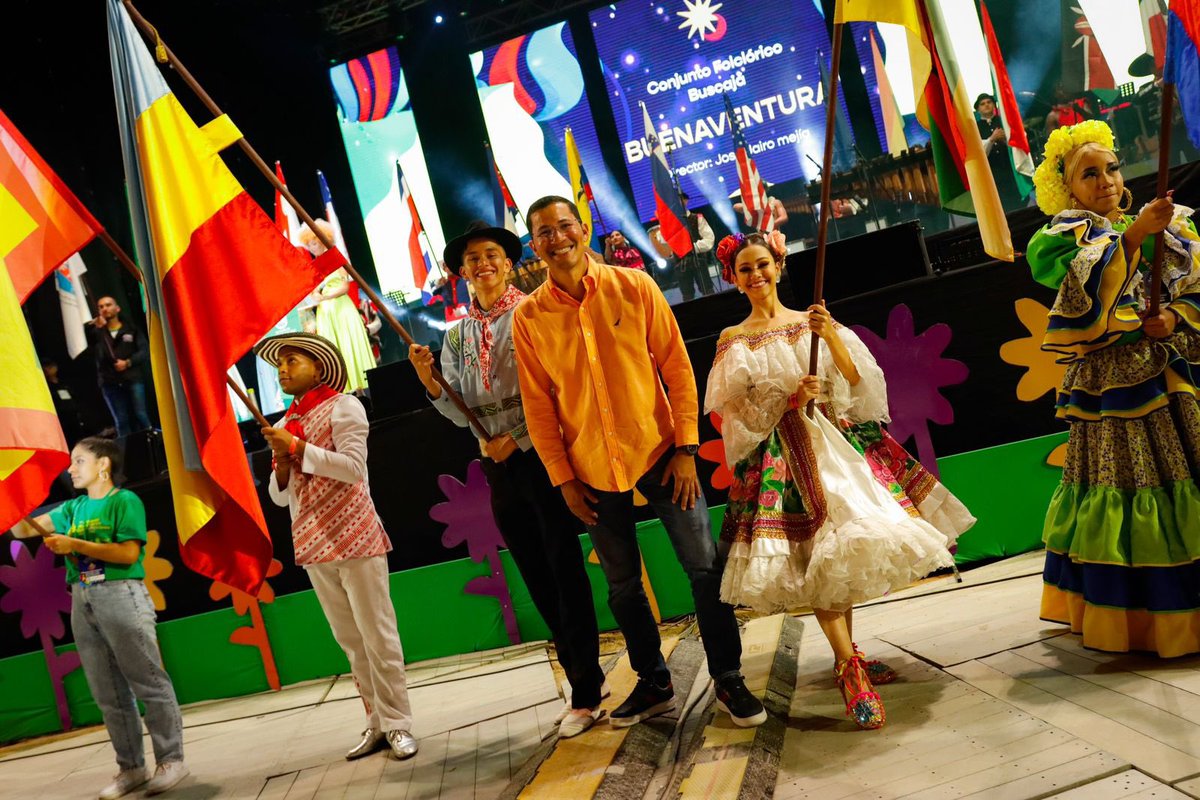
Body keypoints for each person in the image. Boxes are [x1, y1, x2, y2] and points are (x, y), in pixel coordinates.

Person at [512, 195, 767, 730]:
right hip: (590, 470)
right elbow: (538, 406)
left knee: (705, 568)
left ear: (583, 230)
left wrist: (686, 449)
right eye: (544, 232)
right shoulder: (529, 317)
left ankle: (728, 677)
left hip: (662, 453)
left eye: (564, 226)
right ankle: (653, 684)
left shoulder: (635, 286)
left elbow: (676, 367)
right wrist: (563, 480)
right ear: (533, 246)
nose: (557, 238)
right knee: (623, 587)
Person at [704, 231, 954, 729]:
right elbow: (738, 414)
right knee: (820, 558)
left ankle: (849, 653)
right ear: (734, 279)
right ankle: (848, 668)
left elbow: (861, 383)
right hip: (786, 458)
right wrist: (790, 400)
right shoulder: (735, 339)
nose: (756, 275)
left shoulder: (813, 321)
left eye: (762, 264)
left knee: (842, 555)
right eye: (745, 269)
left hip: (841, 452)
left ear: (779, 266)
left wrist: (832, 337)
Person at [409, 220, 608, 738]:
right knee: (536, 573)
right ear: (462, 272)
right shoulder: (456, 336)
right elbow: (458, 410)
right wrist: (431, 382)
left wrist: (516, 439)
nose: (483, 264)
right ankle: (582, 677)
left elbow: (557, 386)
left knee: (564, 568)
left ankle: (585, 693)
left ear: (508, 262)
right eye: (472, 259)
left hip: (544, 457)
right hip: (498, 468)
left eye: (491, 254)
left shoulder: (534, 311)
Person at [1027, 120, 1200, 658]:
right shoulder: (1057, 239)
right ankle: (1148, 618)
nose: (1105, 180)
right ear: (1066, 189)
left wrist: (1175, 315)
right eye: (1089, 174)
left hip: (1178, 371)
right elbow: (1082, 291)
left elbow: (1196, 284)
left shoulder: (1173, 226)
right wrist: (1135, 236)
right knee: (1134, 483)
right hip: (1116, 388)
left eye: (1112, 168)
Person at [256, 332, 418, 760]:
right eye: (280, 364)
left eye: (292, 360)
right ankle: (376, 721)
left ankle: (398, 723)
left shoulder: (344, 406)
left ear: (318, 367)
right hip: (312, 541)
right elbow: (279, 496)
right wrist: (283, 463)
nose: (283, 369)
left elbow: (352, 468)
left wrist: (297, 447)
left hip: (355, 534)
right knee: (350, 640)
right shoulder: (286, 421)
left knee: (378, 635)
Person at [23, 437, 188, 798]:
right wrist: (14, 496)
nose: (70, 469)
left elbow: (128, 554)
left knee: (148, 681)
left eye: (79, 461)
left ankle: (171, 760)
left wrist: (74, 545)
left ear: (103, 464)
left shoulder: (123, 501)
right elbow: (23, 529)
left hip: (121, 594)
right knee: (107, 692)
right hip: (82, 598)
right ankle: (131, 768)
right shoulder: (73, 508)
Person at [298, 221, 377, 394]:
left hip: (341, 309)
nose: (311, 248)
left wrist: (325, 296)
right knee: (334, 349)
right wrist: (315, 295)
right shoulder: (313, 267)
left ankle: (362, 390)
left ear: (322, 240)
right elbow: (312, 292)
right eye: (308, 245)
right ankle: (343, 390)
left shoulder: (335, 258)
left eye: (313, 243)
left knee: (349, 344)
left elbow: (344, 286)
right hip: (325, 313)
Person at [89, 296, 152, 438]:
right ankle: (127, 449)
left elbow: (144, 351)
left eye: (108, 305)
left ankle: (154, 444)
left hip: (132, 378)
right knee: (121, 421)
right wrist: (98, 330)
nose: (105, 309)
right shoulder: (96, 333)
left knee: (140, 414)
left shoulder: (131, 329)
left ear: (117, 308)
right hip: (110, 382)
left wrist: (128, 362)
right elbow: (90, 350)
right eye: (101, 307)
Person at [974, 93, 1024, 210]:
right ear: (978, 109)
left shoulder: (1004, 121)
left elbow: (1016, 143)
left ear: (994, 105)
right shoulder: (975, 128)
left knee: (1018, 202)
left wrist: (1005, 140)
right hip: (993, 173)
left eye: (989, 102)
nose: (986, 105)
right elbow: (978, 151)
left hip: (1010, 169)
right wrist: (992, 139)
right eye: (982, 104)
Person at [676, 193, 716, 301]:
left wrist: (691, 247)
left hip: (698, 260)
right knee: (687, 296)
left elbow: (709, 240)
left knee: (708, 290)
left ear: (685, 201)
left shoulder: (697, 218)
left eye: (679, 199)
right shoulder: (670, 223)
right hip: (680, 263)